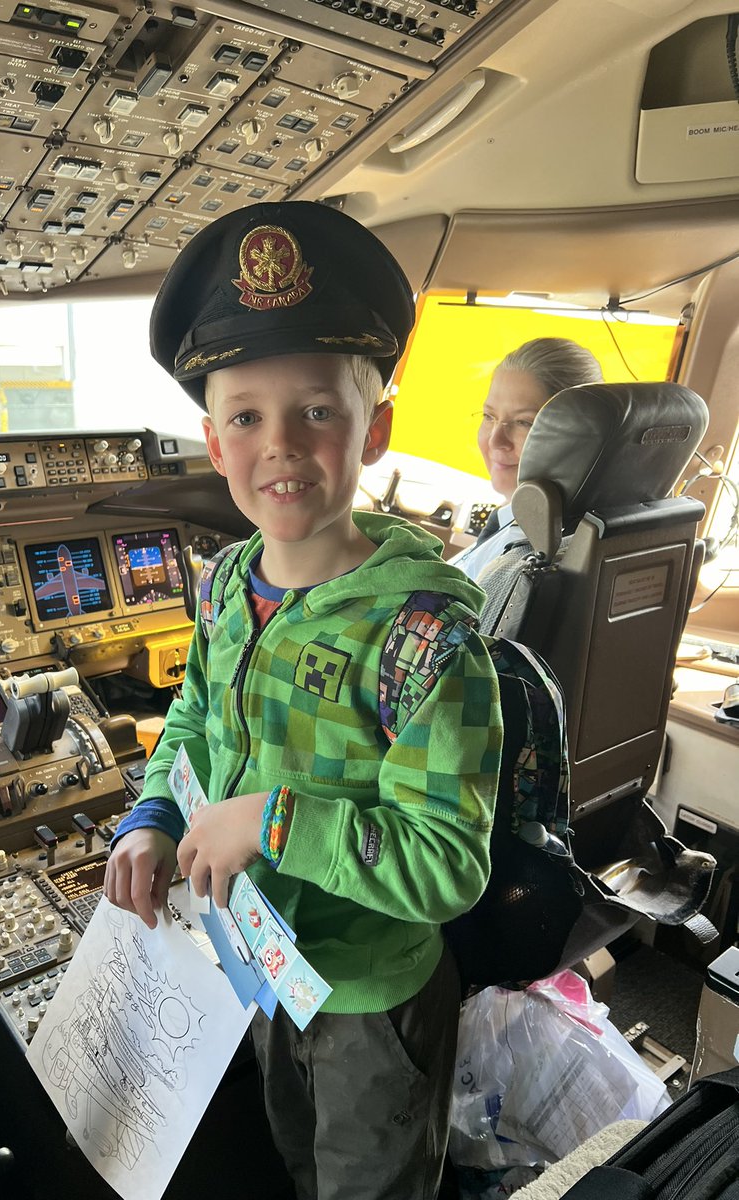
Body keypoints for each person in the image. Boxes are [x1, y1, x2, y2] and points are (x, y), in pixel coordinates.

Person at [103, 201, 503, 1200]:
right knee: (288, 1165)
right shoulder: (227, 582)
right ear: (213, 441)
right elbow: (194, 724)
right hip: (259, 968)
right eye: (247, 416)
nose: (279, 444)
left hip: (372, 997)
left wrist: (274, 821)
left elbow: (448, 866)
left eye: (317, 409)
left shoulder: (423, 639)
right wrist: (154, 819)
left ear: (377, 431)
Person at [452, 337, 603, 581]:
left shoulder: (521, 553)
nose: (495, 440)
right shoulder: (513, 523)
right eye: (489, 416)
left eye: (524, 422)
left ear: (578, 436)